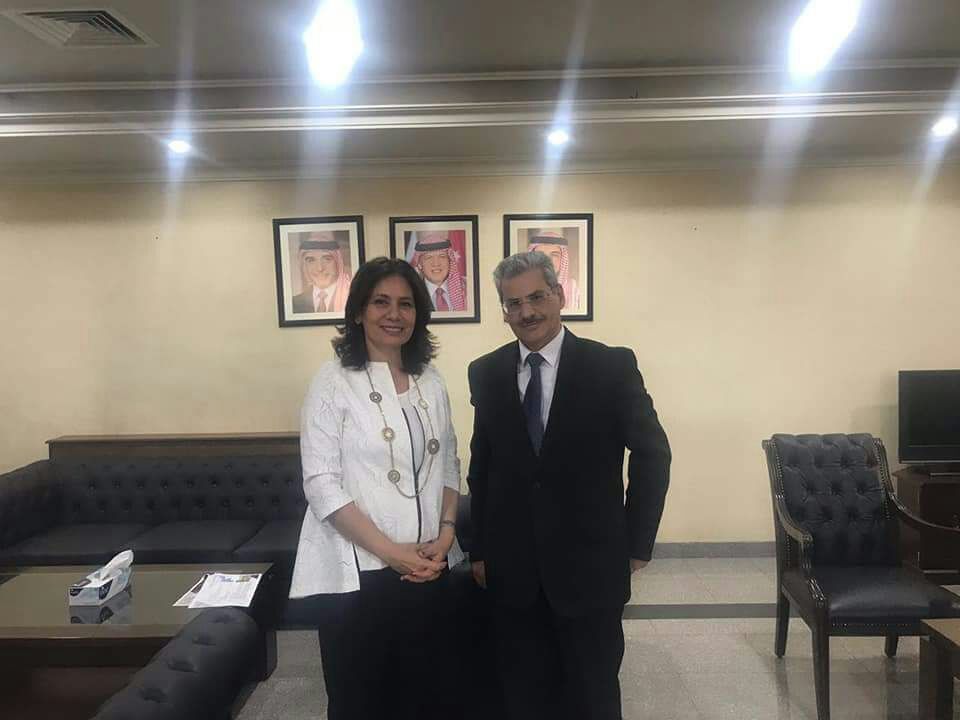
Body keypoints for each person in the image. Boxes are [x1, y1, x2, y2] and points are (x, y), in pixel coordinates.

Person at [466, 251, 671, 720]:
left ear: (559, 296)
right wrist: (479, 549)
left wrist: (636, 543)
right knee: (524, 693)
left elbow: (653, 453)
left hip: (591, 566)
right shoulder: (486, 372)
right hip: (513, 569)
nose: (527, 312)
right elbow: (484, 465)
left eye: (537, 297)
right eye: (514, 303)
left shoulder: (611, 366)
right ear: (504, 311)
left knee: (593, 693)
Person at [289, 257, 463, 720]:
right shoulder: (332, 382)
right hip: (359, 574)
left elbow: (448, 462)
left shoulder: (430, 380)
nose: (394, 314)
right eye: (381, 302)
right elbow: (321, 484)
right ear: (358, 312)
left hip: (428, 564)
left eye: (406, 304)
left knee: (428, 695)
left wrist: (447, 534)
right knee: (362, 699)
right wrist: (392, 553)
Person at [291, 231, 352, 313]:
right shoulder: (294, 303)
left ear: (338, 262)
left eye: (327, 259)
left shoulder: (350, 299)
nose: (320, 268)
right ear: (304, 266)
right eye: (311, 260)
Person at [407, 230, 468, 311]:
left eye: (442, 256)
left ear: (450, 260)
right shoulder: (410, 293)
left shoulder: (468, 289)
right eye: (429, 257)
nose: (436, 264)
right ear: (420, 265)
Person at [527, 228, 581, 311]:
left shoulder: (572, 288)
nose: (548, 260)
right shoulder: (521, 288)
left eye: (554, 255)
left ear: (562, 259)